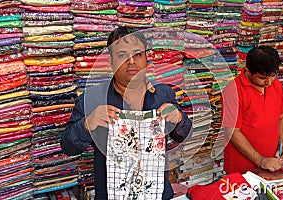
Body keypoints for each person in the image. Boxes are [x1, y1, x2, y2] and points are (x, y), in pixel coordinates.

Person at [60, 27, 192, 199]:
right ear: (111, 62)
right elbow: (67, 147)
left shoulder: (163, 95)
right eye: (122, 55)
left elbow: (185, 135)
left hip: (158, 193)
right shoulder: (93, 99)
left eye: (138, 54)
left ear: (146, 59)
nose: (131, 61)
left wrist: (179, 118)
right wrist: (87, 124)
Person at [221, 46, 283, 174]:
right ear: (248, 71)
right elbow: (233, 133)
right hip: (242, 167)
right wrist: (261, 160)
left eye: (273, 76)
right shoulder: (232, 91)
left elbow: (282, 117)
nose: (269, 82)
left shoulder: (277, 86)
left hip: (272, 163)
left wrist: (282, 148)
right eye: (262, 78)